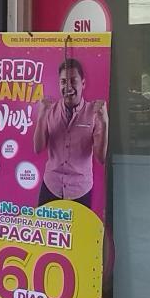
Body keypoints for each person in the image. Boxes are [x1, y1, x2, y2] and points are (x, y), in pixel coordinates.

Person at [33, 58, 108, 209]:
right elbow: (38, 148)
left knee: (78, 233)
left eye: (73, 81)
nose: (68, 86)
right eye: (63, 82)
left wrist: (105, 122)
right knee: (46, 232)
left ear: (83, 84)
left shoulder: (94, 113)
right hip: (51, 186)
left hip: (80, 190)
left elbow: (101, 158)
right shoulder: (49, 110)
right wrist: (41, 116)